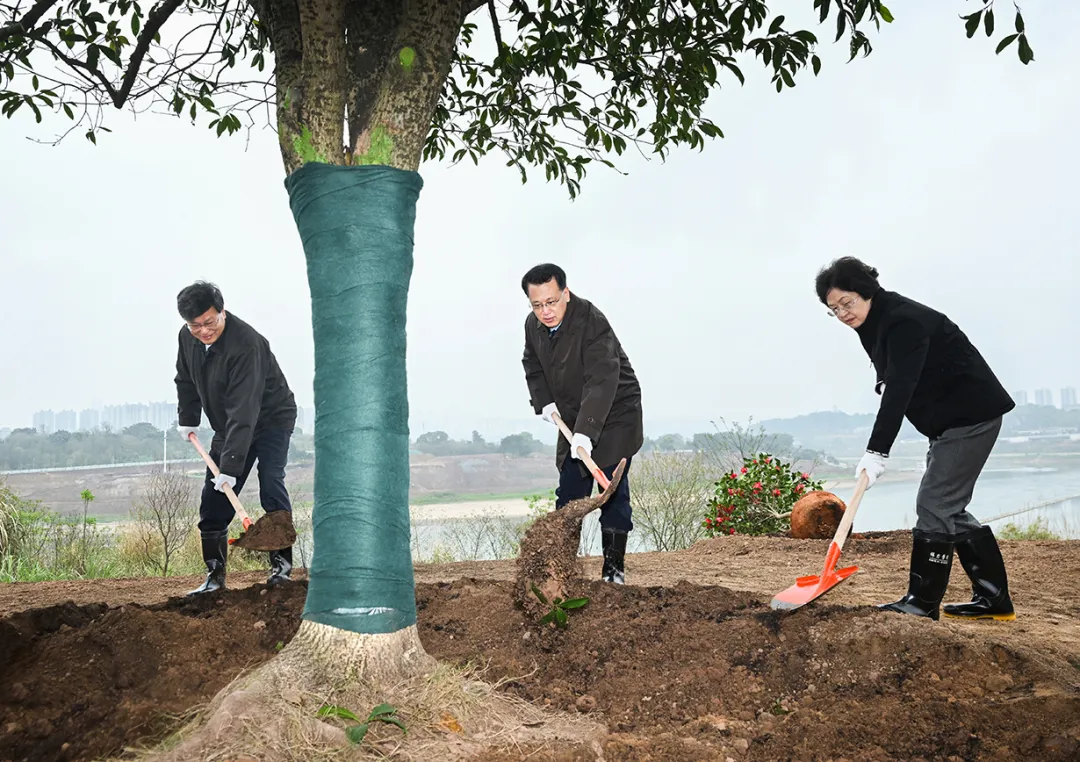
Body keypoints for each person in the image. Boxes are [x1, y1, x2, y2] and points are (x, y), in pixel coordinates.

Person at [815, 256, 1016, 621]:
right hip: (948, 421)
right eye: (834, 309)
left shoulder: (903, 321)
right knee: (947, 507)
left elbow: (899, 387)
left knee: (934, 503)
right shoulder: (873, 320)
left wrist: (877, 451)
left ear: (866, 291)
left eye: (847, 302)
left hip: (970, 416)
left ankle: (922, 602)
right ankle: (993, 598)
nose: (843, 313)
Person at [520, 263, 644, 584]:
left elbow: (602, 379)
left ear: (566, 293)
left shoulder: (591, 322)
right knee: (569, 492)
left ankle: (613, 572)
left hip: (615, 412)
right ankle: (560, 572)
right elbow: (532, 363)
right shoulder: (533, 325)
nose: (545, 312)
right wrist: (544, 401)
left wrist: (586, 432)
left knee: (612, 491)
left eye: (551, 302)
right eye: (537, 305)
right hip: (574, 414)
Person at [174, 281, 298, 595]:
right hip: (229, 425)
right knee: (213, 497)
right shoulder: (187, 338)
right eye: (195, 325)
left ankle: (281, 571)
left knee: (271, 480)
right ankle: (214, 578)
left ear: (222, 311)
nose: (203, 331)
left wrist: (230, 466)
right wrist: (188, 419)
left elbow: (244, 409)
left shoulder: (247, 345)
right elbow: (185, 379)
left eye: (209, 322)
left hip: (271, 419)